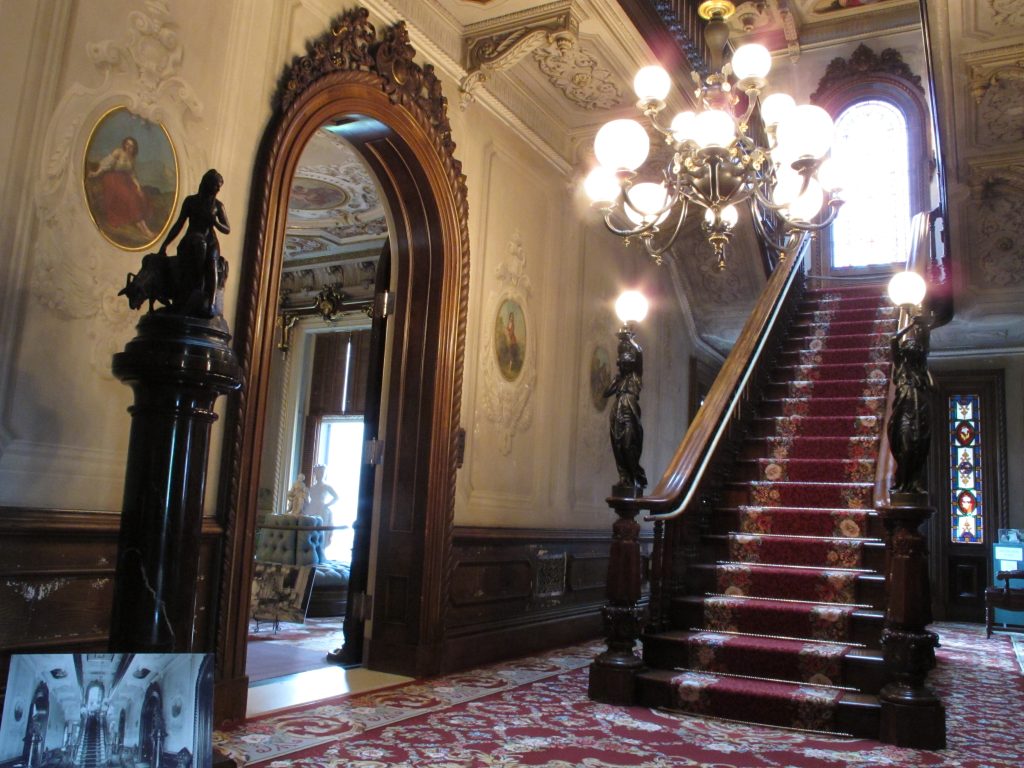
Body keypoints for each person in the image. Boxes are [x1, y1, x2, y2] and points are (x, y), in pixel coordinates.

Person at [158, 168, 230, 317]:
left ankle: (210, 302)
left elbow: (227, 229)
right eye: (216, 185)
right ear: (207, 184)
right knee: (195, 256)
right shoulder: (191, 201)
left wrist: (215, 222)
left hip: (210, 239)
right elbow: (179, 224)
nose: (217, 188)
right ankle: (189, 294)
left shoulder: (217, 205)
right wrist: (165, 244)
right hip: (192, 238)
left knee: (211, 263)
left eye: (219, 186)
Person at [887, 314, 933, 495]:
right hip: (904, 412)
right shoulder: (900, 367)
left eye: (915, 346)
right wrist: (911, 325)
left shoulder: (920, 369)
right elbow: (893, 339)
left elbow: (925, 344)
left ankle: (913, 483)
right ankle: (903, 483)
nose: (912, 346)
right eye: (909, 345)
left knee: (919, 448)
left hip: (920, 410)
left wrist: (924, 328)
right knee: (905, 447)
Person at [604, 329, 648, 492]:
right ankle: (624, 478)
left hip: (630, 408)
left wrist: (630, 340)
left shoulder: (636, 377)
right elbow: (605, 394)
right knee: (618, 444)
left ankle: (636, 476)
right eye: (622, 363)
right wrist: (614, 381)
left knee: (629, 444)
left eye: (627, 363)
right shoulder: (620, 379)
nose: (625, 365)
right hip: (617, 410)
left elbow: (639, 353)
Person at [88, 136, 155, 240]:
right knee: (131, 197)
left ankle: (142, 224)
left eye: (131, 146)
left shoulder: (132, 158)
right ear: (124, 144)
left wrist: (138, 187)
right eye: (127, 144)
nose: (129, 147)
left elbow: (132, 174)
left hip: (126, 180)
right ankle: (145, 229)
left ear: (134, 148)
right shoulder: (118, 152)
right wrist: (96, 173)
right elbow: (106, 164)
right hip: (113, 179)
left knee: (141, 195)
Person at [305, 464, 340, 543]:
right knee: (310, 530)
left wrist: (327, 505)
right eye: (317, 473)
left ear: (324, 474)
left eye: (321, 473)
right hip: (311, 508)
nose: (318, 475)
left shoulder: (327, 487)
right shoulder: (312, 488)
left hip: (321, 509)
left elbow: (336, 497)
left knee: (321, 531)